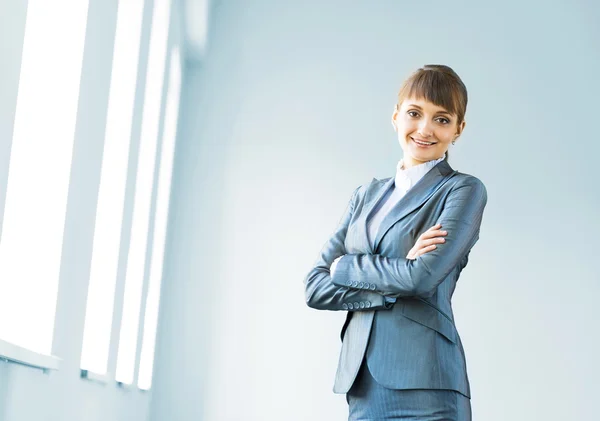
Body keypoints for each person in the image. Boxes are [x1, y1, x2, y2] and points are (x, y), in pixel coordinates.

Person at [304, 64, 488, 421]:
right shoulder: (365, 195)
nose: (425, 129)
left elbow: (422, 278)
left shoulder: (462, 191)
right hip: (364, 386)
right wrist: (393, 281)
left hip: (429, 388)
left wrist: (345, 267)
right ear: (395, 116)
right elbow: (315, 286)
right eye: (415, 113)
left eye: (442, 119)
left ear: (458, 130)